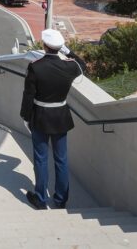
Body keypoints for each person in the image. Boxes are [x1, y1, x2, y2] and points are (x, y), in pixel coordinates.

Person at [21, 28, 86, 210]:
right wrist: (67, 51)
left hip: (40, 116)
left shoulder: (36, 66)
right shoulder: (70, 66)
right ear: (59, 47)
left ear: (44, 45)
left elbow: (28, 95)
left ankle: (41, 199)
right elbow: (83, 66)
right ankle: (60, 200)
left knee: (41, 159)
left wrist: (25, 117)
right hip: (60, 116)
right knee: (61, 160)